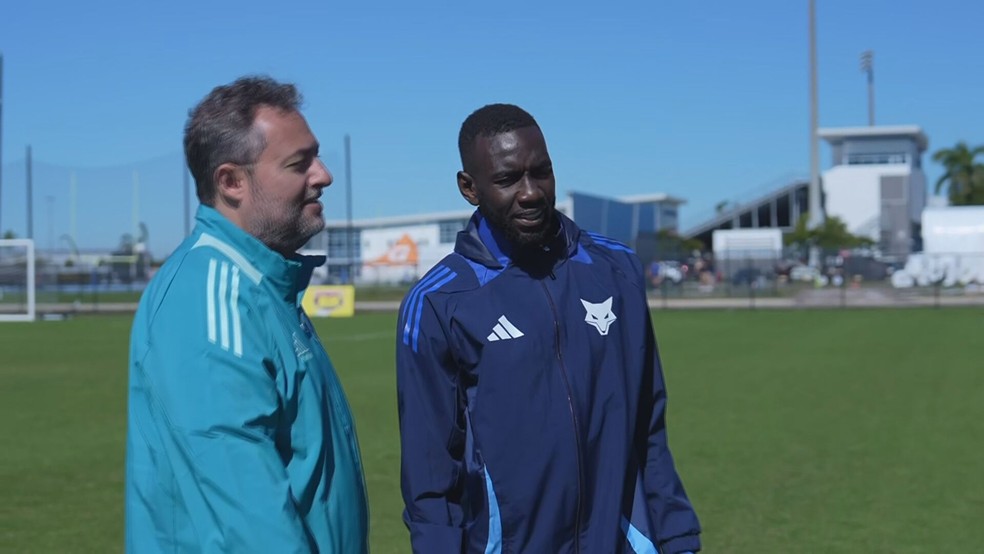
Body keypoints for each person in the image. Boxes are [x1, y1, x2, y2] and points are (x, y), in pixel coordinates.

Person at [396, 103, 702, 553]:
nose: (531, 192)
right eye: (507, 179)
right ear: (469, 188)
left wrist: (678, 539)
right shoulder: (439, 303)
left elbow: (648, 428)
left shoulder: (616, 270)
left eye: (541, 172)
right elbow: (430, 478)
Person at [125, 76, 369, 553]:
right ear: (232, 182)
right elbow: (250, 520)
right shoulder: (210, 297)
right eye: (299, 163)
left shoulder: (260, 285)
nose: (323, 174)